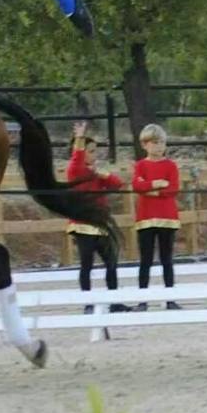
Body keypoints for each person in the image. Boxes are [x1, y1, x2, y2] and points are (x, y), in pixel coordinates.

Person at [67, 121, 128, 313]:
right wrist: (79, 137)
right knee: (87, 265)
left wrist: (105, 174)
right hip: (83, 224)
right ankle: (88, 303)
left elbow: (118, 184)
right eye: (91, 151)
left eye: (95, 151)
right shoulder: (75, 169)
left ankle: (114, 301)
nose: (95, 155)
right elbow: (76, 157)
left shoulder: (96, 173)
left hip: (101, 223)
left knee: (111, 262)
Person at [132, 123, 181, 311]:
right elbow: (137, 186)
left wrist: (150, 190)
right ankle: (142, 300)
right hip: (145, 217)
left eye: (161, 142)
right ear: (145, 145)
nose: (159, 147)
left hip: (167, 216)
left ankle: (170, 298)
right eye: (154, 143)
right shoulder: (141, 165)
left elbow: (173, 189)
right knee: (145, 260)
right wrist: (156, 184)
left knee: (167, 259)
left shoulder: (171, 165)